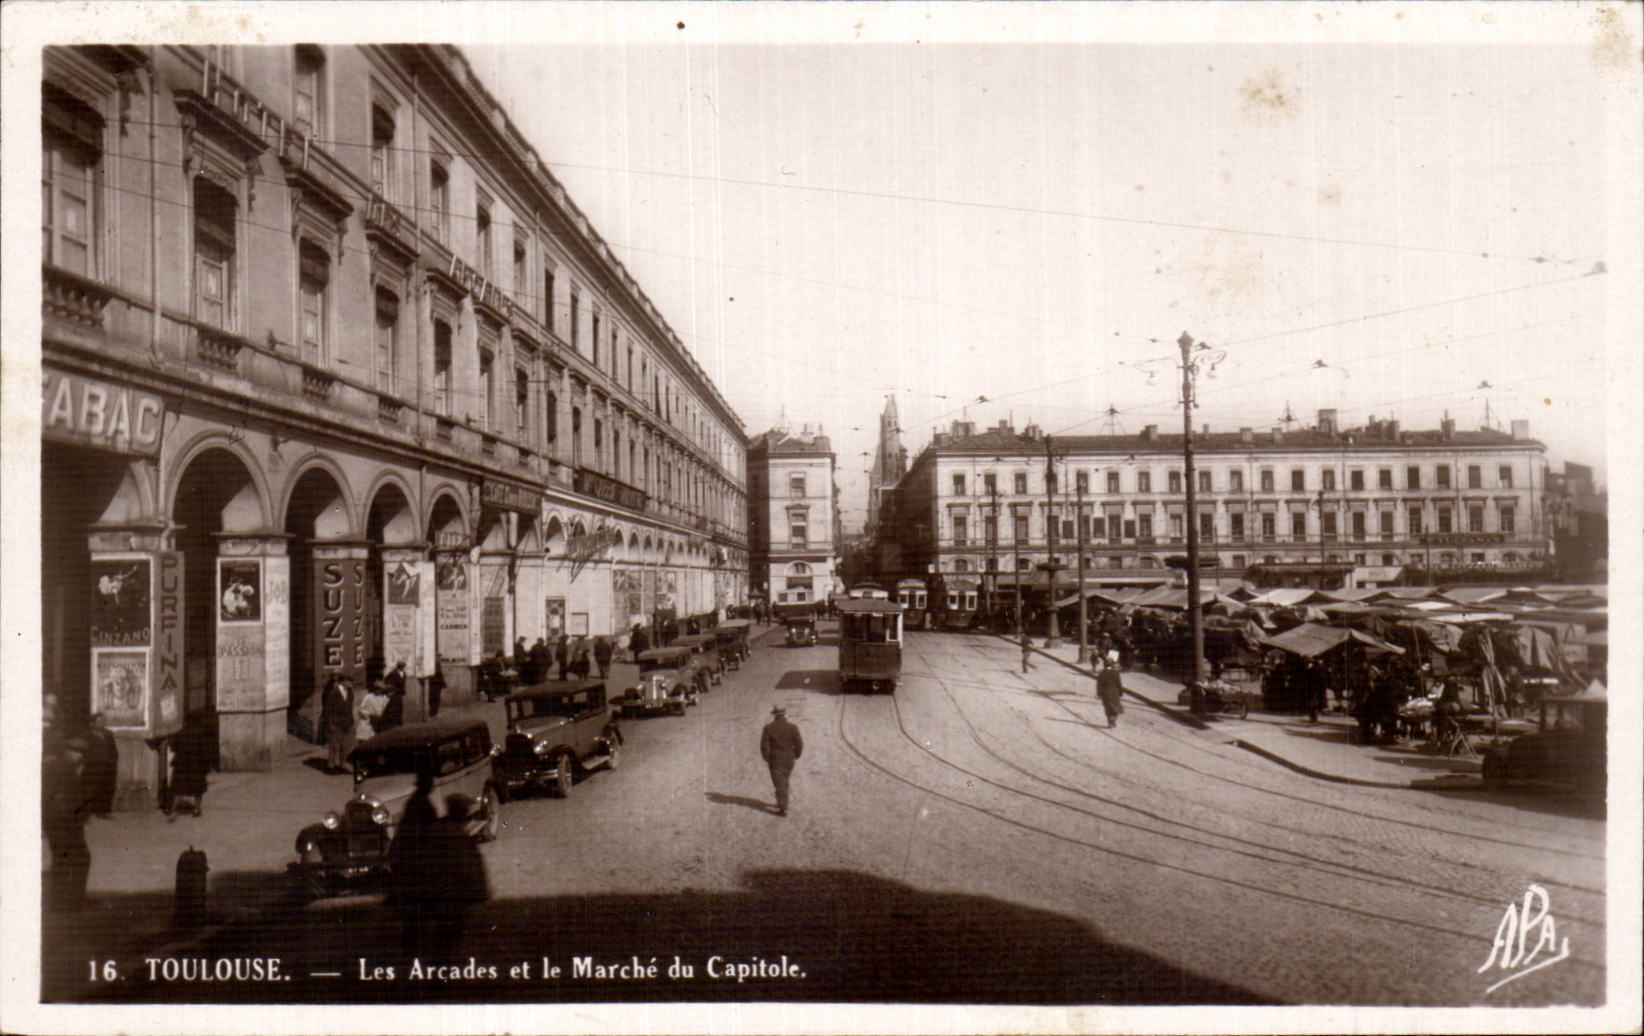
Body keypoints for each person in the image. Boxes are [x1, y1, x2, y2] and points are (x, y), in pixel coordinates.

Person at [42, 695, 90, 910]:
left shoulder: (60, 764)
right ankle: (68, 902)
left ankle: (63, 901)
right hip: (63, 817)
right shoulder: (64, 767)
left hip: (58, 817)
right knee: (74, 857)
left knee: (64, 858)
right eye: (78, 753)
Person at [759, 704, 803, 816]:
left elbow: (764, 746)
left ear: (774, 715)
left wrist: (767, 758)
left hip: (775, 760)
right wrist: (796, 755)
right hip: (789, 760)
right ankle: (782, 801)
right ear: (785, 714)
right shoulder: (793, 727)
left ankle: (783, 808)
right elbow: (799, 744)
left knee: (780, 784)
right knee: (784, 781)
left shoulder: (768, 728)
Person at [169, 715, 212, 817]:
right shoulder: (202, 734)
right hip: (197, 765)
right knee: (198, 789)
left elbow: (173, 747)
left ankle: (173, 810)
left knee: (178, 788)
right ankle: (196, 809)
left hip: (182, 764)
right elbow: (206, 751)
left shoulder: (181, 733)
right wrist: (207, 766)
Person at [79, 712, 119, 817]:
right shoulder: (87, 735)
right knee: (91, 788)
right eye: (99, 722)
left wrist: (113, 762)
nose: (102, 724)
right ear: (92, 724)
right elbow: (84, 751)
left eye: (103, 721)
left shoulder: (108, 734)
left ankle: (104, 811)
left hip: (108, 766)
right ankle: (88, 812)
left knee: (107, 788)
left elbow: (114, 751)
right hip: (93, 767)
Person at [321, 674, 355, 773]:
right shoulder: (334, 693)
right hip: (335, 724)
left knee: (345, 746)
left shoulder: (350, 692)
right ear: (343, 681)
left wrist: (351, 721)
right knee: (334, 747)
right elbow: (328, 709)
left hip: (347, 723)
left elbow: (350, 707)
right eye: (349, 681)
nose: (351, 683)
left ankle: (342, 764)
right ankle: (330, 766)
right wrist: (330, 724)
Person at [1096, 658, 1126, 729]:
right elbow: (1119, 684)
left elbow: (1099, 685)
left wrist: (1099, 694)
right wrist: (1121, 693)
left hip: (1105, 694)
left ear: (1104, 665)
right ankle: (1113, 720)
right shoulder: (1115, 673)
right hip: (1114, 693)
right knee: (1115, 707)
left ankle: (1110, 722)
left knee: (1108, 708)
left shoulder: (1101, 674)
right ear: (1111, 665)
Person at [381, 662, 407, 731]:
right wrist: (390, 690)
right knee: (393, 707)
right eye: (401, 667)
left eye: (403, 667)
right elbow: (387, 680)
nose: (402, 668)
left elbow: (403, 683)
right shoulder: (393, 673)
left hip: (400, 693)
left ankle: (399, 722)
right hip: (394, 693)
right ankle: (393, 723)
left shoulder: (404, 673)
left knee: (400, 707)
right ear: (398, 667)